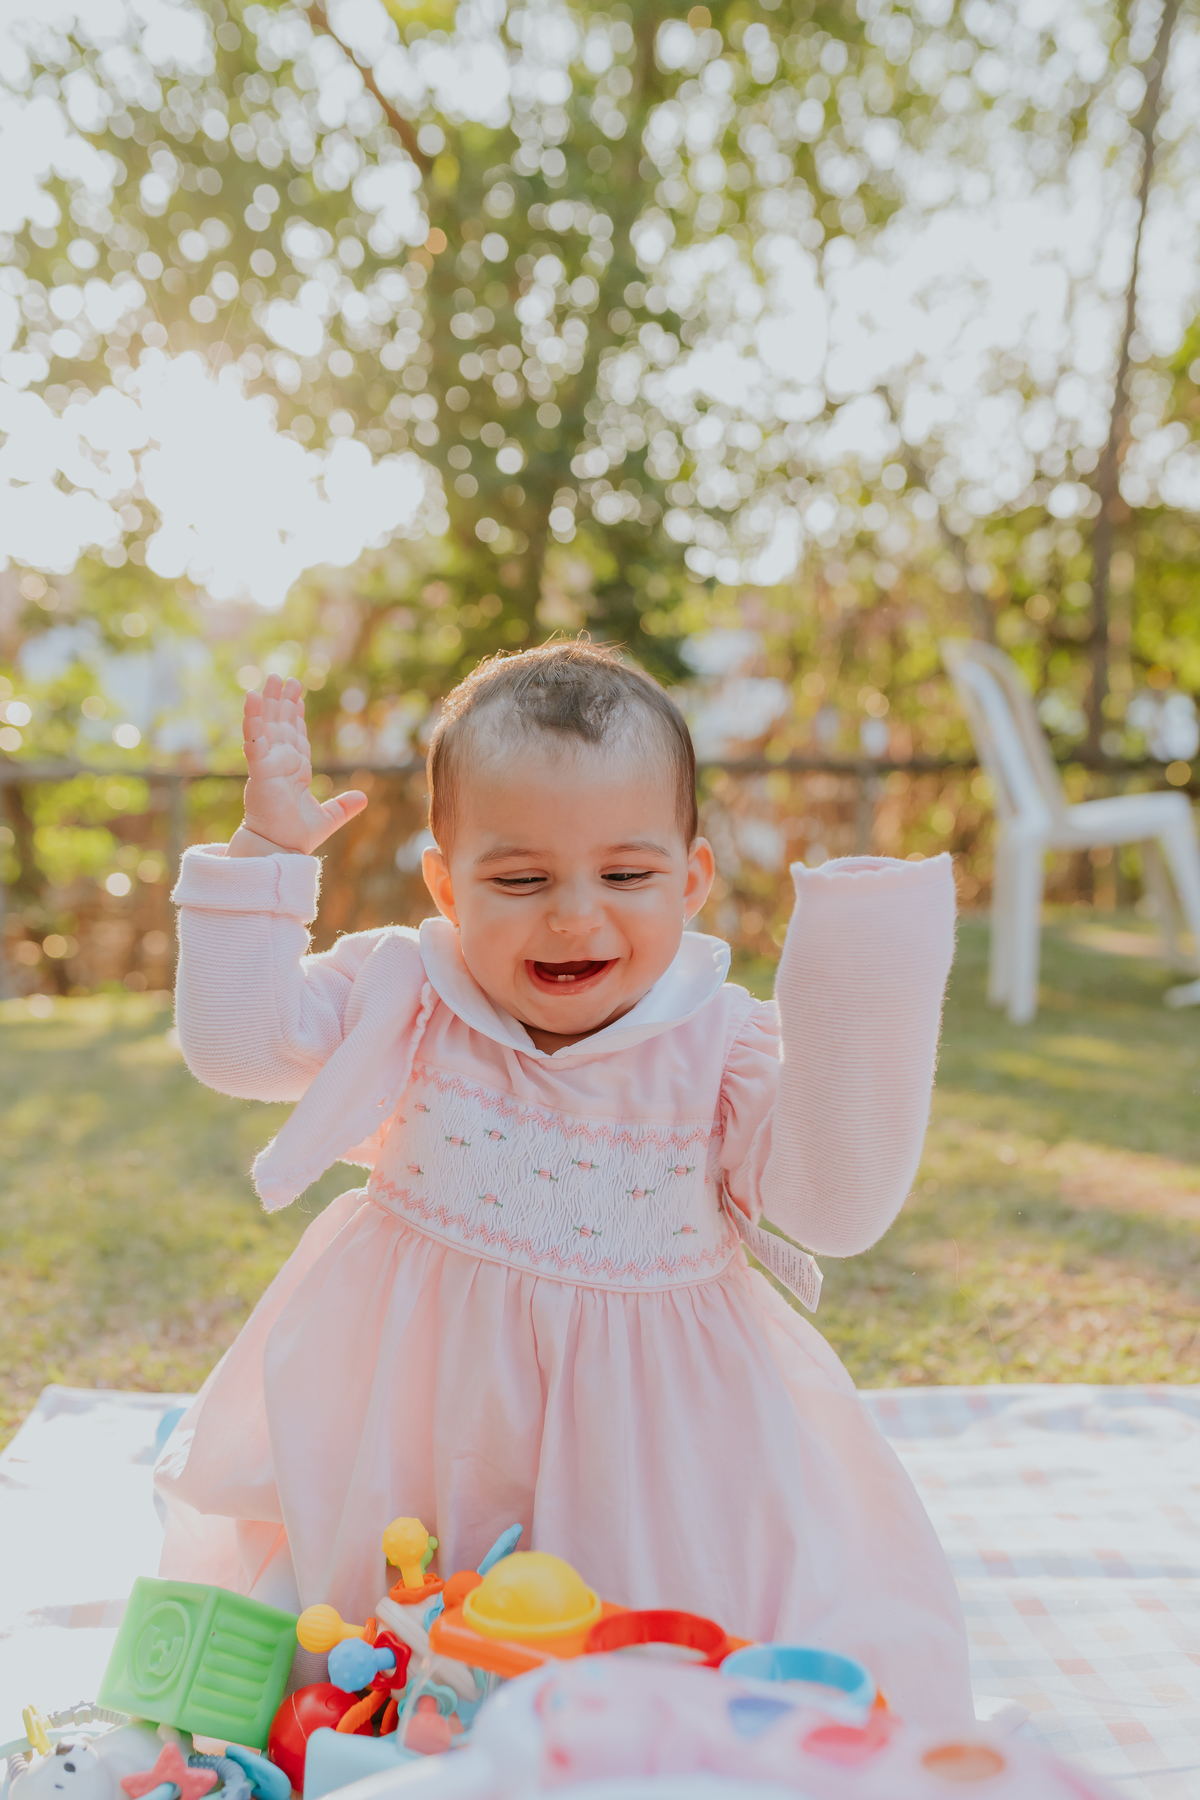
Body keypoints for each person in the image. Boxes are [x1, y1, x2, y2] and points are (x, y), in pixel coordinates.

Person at [156, 640, 971, 1722]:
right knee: (387, 1649)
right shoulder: (410, 988)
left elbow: (838, 1208)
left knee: (632, 1683)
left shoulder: (719, 1047)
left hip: (643, 1447)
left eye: (625, 876)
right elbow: (235, 1044)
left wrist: (861, 988)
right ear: (448, 882)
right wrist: (265, 850)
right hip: (410, 1411)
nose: (574, 913)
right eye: (520, 877)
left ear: (691, 879)